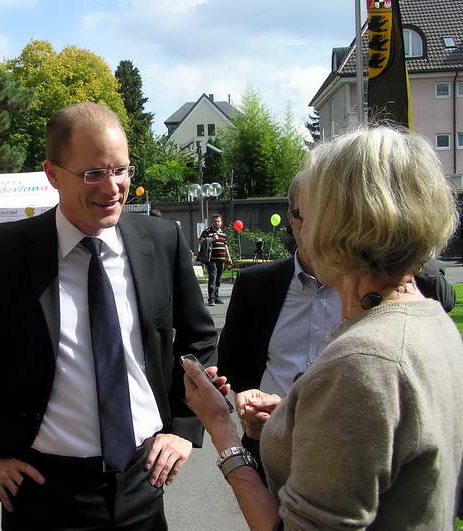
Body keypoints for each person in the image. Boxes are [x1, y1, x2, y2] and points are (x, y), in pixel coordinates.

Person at [0, 102, 217, 530]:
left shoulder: (161, 240)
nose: (113, 187)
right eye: (93, 173)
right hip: (43, 495)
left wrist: (185, 427)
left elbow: (199, 339)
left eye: (121, 169)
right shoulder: (2, 255)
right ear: (53, 174)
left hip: (142, 483)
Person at [184, 127, 463, 529]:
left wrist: (222, 431)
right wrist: (303, 416)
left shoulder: (364, 361)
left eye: (309, 210)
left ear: (340, 225)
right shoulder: (431, 321)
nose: (298, 225)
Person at [218, 173, 341, 471]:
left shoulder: (367, 285)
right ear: (292, 219)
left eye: (326, 214)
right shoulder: (256, 284)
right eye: (305, 216)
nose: (315, 228)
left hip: (341, 450)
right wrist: (248, 401)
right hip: (272, 446)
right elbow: (233, 362)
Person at [199, 214, 233, 305]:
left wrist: (228, 258)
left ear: (221, 223)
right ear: (212, 222)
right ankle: (211, 299)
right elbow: (201, 241)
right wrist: (211, 239)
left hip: (221, 260)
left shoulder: (223, 234)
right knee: (212, 279)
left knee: (218, 280)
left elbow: (225, 246)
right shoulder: (207, 232)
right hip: (211, 260)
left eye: (218, 221)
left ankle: (216, 297)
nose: (216, 223)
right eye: (215, 221)